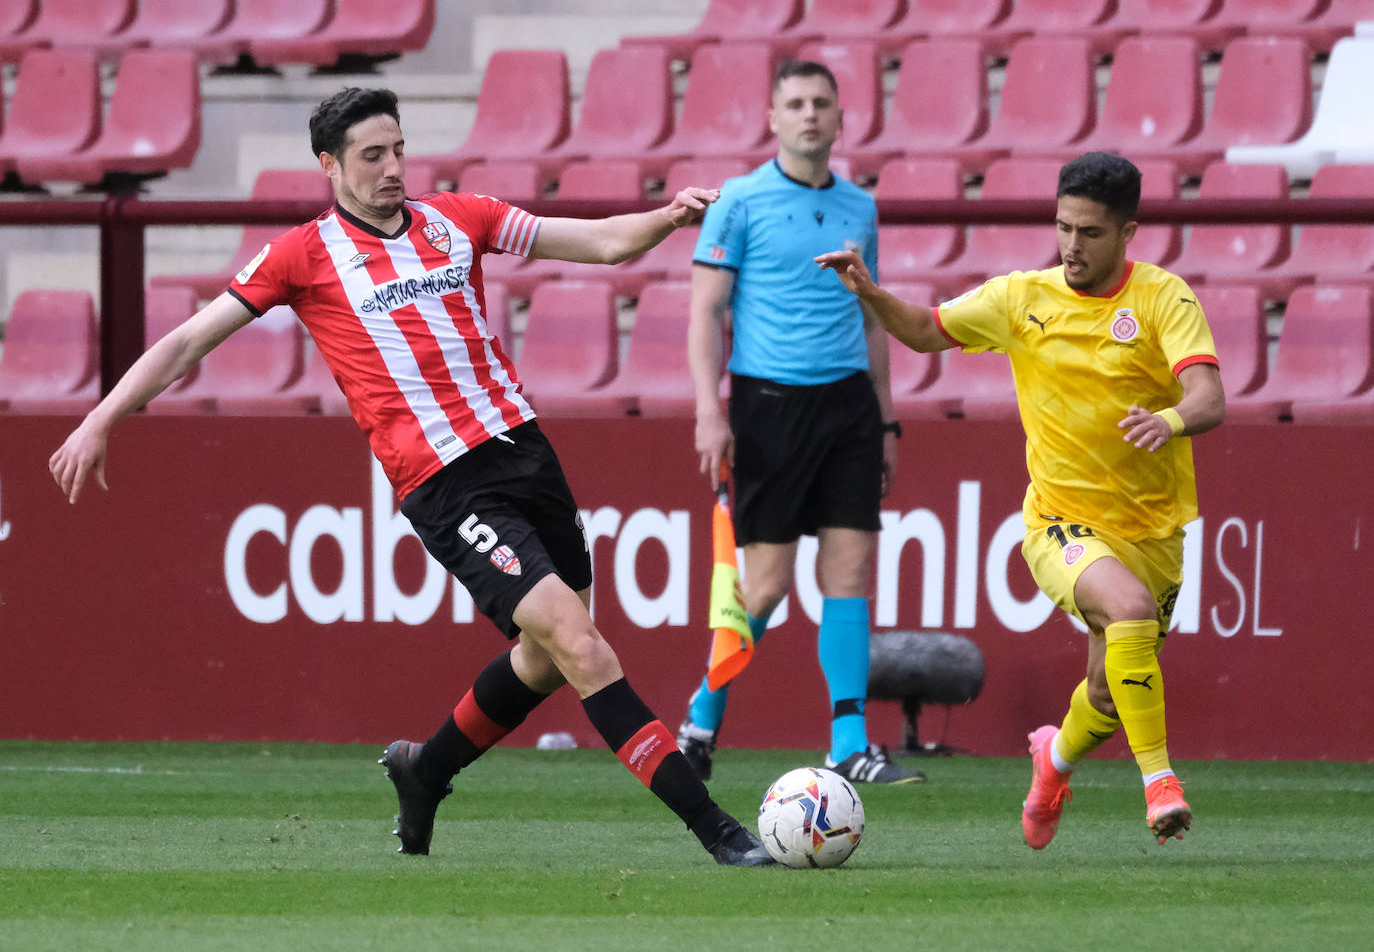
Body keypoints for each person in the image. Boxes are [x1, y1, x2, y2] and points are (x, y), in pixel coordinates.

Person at [49, 87, 774, 867]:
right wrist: (102, 417)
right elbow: (189, 342)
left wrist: (667, 218)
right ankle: (718, 831)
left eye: (398, 149)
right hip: (446, 483)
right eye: (372, 155)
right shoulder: (304, 255)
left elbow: (598, 243)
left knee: (544, 657)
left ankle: (425, 769)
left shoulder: (459, 218)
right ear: (328, 165)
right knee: (580, 643)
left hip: (524, 450)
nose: (394, 167)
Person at [816, 151, 1226, 846]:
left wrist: (1169, 420)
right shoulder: (1021, 298)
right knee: (1124, 610)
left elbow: (1210, 397)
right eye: (1064, 226)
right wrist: (869, 291)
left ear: (1128, 232)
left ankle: (1051, 762)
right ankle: (1161, 784)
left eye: (1091, 232)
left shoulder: (1164, 299)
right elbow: (923, 330)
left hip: (1154, 531)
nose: (1071, 245)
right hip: (1060, 522)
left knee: (1104, 693)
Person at [675, 59, 923, 786]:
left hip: (847, 407)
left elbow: (874, 318)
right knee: (768, 587)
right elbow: (704, 312)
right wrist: (707, 411)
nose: (810, 114)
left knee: (849, 574)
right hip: (769, 408)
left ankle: (849, 742)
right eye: (796, 103)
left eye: (822, 102)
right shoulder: (740, 202)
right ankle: (698, 721)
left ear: (841, 119)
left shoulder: (860, 208)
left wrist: (884, 421)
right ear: (773, 118)